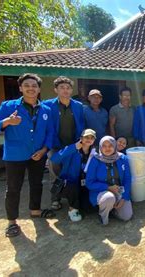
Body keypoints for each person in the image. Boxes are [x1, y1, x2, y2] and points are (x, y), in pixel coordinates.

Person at [0, 73, 54, 237]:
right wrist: (7, 122)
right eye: (27, 85)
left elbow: (50, 132)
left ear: (39, 88)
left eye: (34, 86)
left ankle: (35, 210)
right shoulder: (8, 106)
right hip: (14, 155)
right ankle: (12, 222)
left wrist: (44, 150)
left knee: (36, 184)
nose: (31, 88)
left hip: (37, 154)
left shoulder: (46, 109)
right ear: (20, 88)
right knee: (13, 188)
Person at [44, 76, 85, 211]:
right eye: (62, 88)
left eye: (68, 88)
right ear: (56, 89)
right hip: (55, 145)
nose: (65, 90)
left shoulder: (78, 106)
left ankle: (72, 198)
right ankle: (55, 199)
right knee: (55, 171)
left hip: (73, 145)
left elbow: (81, 125)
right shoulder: (47, 105)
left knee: (73, 171)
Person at [50, 129, 96, 222]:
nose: (89, 139)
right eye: (86, 137)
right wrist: (73, 147)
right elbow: (54, 159)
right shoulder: (72, 149)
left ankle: (80, 203)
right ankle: (72, 209)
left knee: (89, 210)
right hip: (69, 183)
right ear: (81, 138)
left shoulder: (94, 152)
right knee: (73, 186)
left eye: (92, 138)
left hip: (84, 183)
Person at [86, 136, 133, 225]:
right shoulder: (95, 159)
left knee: (126, 216)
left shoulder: (122, 158)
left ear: (115, 146)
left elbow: (127, 178)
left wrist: (124, 197)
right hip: (101, 192)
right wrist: (108, 187)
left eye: (110, 145)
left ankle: (112, 210)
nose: (107, 148)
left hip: (119, 190)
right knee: (109, 198)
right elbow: (89, 183)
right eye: (104, 146)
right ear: (100, 147)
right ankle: (103, 215)